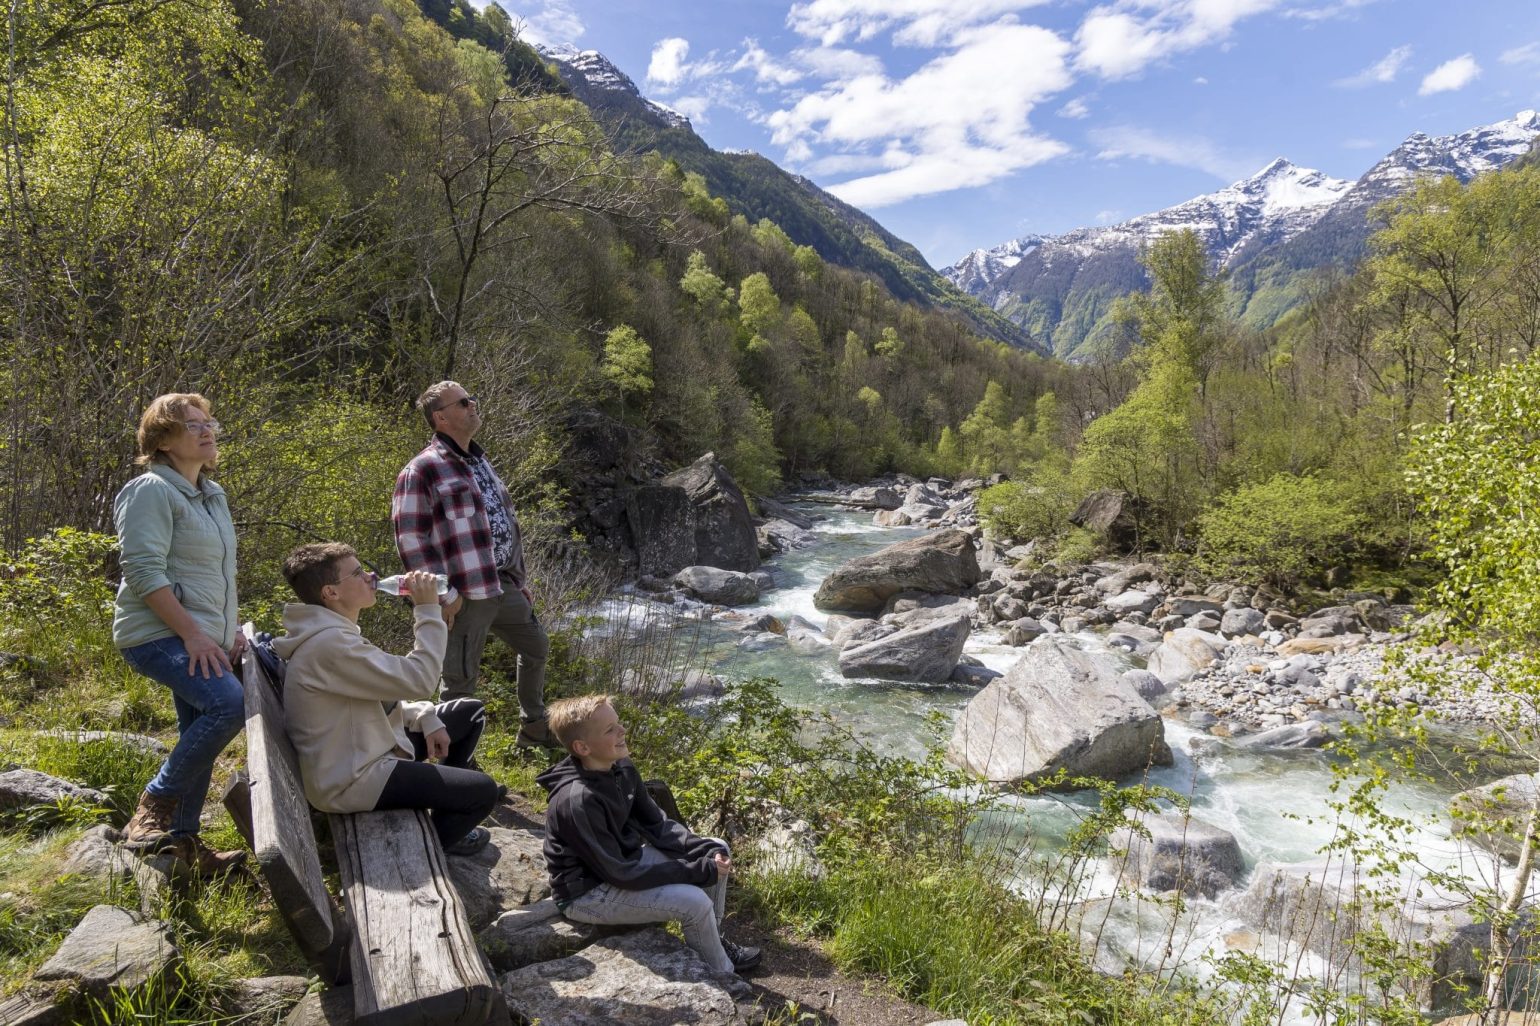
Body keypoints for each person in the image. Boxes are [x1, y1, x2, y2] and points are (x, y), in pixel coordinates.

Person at [273, 543, 499, 856]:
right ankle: (425, 848)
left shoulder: (336, 634)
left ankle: (446, 815)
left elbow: (383, 694)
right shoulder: (330, 645)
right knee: (483, 792)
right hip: (352, 779)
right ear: (331, 593)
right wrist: (427, 609)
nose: (371, 576)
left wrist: (425, 717)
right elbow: (420, 679)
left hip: (371, 749)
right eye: (357, 573)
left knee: (468, 713)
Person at [113, 393, 247, 875]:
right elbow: (145, 573)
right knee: (227, 704)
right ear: (163, 441)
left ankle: (182, 843)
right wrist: (194, 635)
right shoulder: (150, 489)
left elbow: (220, 573)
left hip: (201, 635)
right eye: (193, 426)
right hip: (155, 634)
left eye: (209, 422)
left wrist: (228, 632)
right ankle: (154, 805)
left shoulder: (213, 494)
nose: (208, 430)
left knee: (199, 728)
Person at [538, 695, 761, 976]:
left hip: (623, 861)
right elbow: (620, 874)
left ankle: (712, 940)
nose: (622, 731)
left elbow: (658, 825)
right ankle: (724, 976)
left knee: (716, 846)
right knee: (696, 902)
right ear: (582, 747)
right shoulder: (578, 800)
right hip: (588, 894)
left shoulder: (621, 767)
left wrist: (702, 851)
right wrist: (696, 871)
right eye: (610, 730)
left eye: (618, 723)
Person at [392, 381, 555, 749]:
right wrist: (442, 594)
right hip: (464, 593)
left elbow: (502, 521)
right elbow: (410, 541)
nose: (473, 406)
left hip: (501, 584)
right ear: (441, 417)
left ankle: (533, 726)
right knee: (460, 680)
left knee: (536, 647)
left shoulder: (479, 460)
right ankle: (460, 760)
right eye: (464, 402)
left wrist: (517, 576)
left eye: (472, 399)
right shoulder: (421, 470)